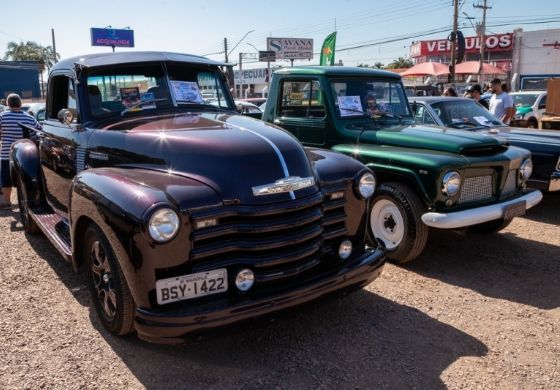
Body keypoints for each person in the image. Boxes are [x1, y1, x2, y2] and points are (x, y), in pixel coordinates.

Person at [0, 93, 42, 209]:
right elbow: (38, 132)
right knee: (27, 178)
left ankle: (6, 202)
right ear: (20, 103)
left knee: (6, 178)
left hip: (7, 154)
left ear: (8, 104)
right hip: (25, 155)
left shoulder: (2, 116)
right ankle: (31, 199)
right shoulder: (29, 117)